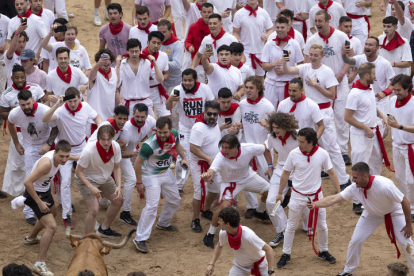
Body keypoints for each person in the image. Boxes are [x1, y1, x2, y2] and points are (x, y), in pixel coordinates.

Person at [307, 162, 414, 276]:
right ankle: (348, 271)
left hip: (394, 213)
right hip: (372, 214)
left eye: (355, 177)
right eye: (352, 177)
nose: (352, 180)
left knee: (406, 243)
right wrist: (315, 204)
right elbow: (334, 198)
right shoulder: (355, 188)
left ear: (365, 176)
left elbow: (404, 201)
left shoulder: (384, 185)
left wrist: (408, 224)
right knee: (356, 240)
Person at [282, 49, 351, 189]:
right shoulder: (305, 67)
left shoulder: (327, 71)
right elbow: (288, 70)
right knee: (306, 143)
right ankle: (325, 170)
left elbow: (332, 95)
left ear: (321, 56)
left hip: (323, 111)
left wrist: (315, 85)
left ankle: (344, 179)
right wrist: (284, 62)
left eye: (315, 55)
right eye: (311, 55)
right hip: (307, 111)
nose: (312, 57)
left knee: (331, 146)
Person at [275, 127, 340, 268]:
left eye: (302, 142)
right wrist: (280, 192)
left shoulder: (322, 154)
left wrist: (339, 193)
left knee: (322, 225)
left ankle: (323, 251)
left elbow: (332, 172)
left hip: (316, 197)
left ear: (311, 142)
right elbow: (285, 173)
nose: (299, 144)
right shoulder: (293, 154)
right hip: (297, 196)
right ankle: (286, 253)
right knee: (291, 226)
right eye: (299, 141)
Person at [200, 134, 274, 248]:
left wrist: (270, 166)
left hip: (248, 177)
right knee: (224, 207)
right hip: (229, 183)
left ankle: (259, 212)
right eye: (223, 147)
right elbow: (212, 170)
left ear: (236, 147)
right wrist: (208, 175)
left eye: (227, 148)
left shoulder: (248, 148)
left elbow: (265, 149)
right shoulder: (220, 157)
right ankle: (210, 233)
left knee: (269, 191)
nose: (225, 151)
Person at [42, 88, 102, 227]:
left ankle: (94, 207)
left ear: (79, 98)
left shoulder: (85, 107)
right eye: (70, 101)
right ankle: (66, 215)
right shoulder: (61, 110)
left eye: (75, 101)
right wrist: (57, 104)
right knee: (66, 182)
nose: (73, 104)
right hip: (65, 151)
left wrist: (99, 126)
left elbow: (96, 116)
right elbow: (45, 119)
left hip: (83, 147)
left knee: (92, 176)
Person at [305, 9, 354, 166]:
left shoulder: (341, 36)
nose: (318, 24)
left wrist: (341, 73)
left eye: (320, 21)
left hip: (340, 81)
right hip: (318, 86)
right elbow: (307, 63)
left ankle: (343, 151)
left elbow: (351, 58)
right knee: (320, 118)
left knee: (341, 116)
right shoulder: (311, 40)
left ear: (328, 21)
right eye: (316, 21)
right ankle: (323, 152)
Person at [132, 117, 187, 253]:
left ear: (170, 130)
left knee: (175, 199)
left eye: (165, 132)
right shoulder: (149, 145)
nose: (162, 135)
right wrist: (139, 182)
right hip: (150, 175)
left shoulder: (174, 134)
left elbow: (177, 145)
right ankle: (140, 238)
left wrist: (184, 158)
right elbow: (137, 163)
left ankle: (163, 223)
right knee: (152, 205)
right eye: (159, 132)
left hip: (165, 172)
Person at [344, 62, 391, 214]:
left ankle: (374, 193)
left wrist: (382, 115)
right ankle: (356, 201)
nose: (375, 76)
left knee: (376, 162)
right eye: (373, 73)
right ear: (366, 76)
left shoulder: (369, 87)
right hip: (360, 135)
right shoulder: (354, 94)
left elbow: (371, 106)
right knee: (359, 166)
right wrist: (365, 128)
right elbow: (347, 117)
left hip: (373, 133)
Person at [0, 65, 45, 217]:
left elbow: (41, 107)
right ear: (12, 78)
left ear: (25, 77)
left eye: (22, 77)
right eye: (17, 77)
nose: (20, 80)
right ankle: (18, 191)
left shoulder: (35, 89)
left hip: (35, 132)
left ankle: (29, 191)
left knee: (30, 164)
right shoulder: (7, 94)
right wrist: (17, 112)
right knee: (16, 162)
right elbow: (3, 113)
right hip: (18, 133)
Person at [23, 140, 71, 276]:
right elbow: (27, 182)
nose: (64, 160)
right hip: (35, 194)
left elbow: (69, 157)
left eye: (67, 156)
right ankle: (39, 264)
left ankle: (31, 238)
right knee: (51, 226)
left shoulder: (61, 157)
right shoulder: (46, 164)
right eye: (61, 156)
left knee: (53, 213)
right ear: (55, 152)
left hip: (44, 191)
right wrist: (39, 202)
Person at [165, 69, 214, 193]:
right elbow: (168, 107)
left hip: (203, 128)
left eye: (189, 80)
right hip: (185, 128)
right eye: (184, 80)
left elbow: (212, 106)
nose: (187, 83)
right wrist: (170, 99)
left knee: (207, 155)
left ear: (195, 79)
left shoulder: (205, 89)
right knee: (183, 156)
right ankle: (179, 186)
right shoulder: (178, 89)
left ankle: (210, 186)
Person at [75, 124, 123, 237]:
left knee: (118, 200)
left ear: (113, 138)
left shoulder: (115, 147)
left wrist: (118, 185)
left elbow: (117, 167)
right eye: (103, 139)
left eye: (109, 139)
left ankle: (104, 229)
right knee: (94, 210)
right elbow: (78, 172)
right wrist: (90, 187)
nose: (106, 142)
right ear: (98, 138)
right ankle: (88, 240)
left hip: (104, 178)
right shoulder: (89, 151)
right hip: (87, 179)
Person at [263, 112, 298, 248]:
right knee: (272, 202)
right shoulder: (271, 137)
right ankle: (282, 230)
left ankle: (308, 226)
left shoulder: (298, 136)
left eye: (278, 127)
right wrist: (270, 165)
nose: (275, 130)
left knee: (303, 204)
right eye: (273, 127)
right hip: (280, 171)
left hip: (298, 172)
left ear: (286, 126)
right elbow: (266, 149)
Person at [205, 208, 275, 276]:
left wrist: (270, 271)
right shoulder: (223, 233)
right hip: (240, 266)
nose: (218, 222)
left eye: (220, 220)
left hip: (259, 264)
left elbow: (269, 249)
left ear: (227, 224)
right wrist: (211, 264)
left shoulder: (248, 235)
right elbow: (219, 246)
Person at [342, 36, 395, 125]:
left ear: (377, 48)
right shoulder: (360, 58)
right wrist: (344, 54)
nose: (367, 46)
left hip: (380, 102)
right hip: (363, 101)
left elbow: (394, 82)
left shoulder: (385, 63)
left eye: (370, 45)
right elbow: (348, 60)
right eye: (366, 44)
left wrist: (384, 93)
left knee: (379, 127)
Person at [118, 103, 156, 225]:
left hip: (135, 150)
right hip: (123, 155)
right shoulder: (126, 130)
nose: (140, 119)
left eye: (142, 117)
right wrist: (134, 154)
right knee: (131, 179)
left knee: (147, 169)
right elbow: (119, 154)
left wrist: (147, 147)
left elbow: (155, 134)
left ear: (147, 116)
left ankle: (147, 197)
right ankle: (125, 213)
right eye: (137, 116)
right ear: (133, 114)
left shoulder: (150, 120)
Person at [189, 101, 222, 232]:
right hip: (200, 163)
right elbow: (192, 148)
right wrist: (208, 158)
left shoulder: (215, 124)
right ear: (204, 113)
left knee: (215, 188)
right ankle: (195, 219)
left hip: (213, 163)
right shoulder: (198, 127)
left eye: (215, 114)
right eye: (209, 114)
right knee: (199, 191)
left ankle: (206, 209)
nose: (212, 116)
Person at [388, 74, 414, 222]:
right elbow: (390, 119)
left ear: (408, 89)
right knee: (400, 178)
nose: (395, 93)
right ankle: (407, 206)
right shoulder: (392, 101)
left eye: (399, 90)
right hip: (397, 145)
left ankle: (413, 208)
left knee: (412, 181)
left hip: (411, 147)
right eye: (394, 89)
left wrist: (400, 127)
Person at [262, 16, 303, 107]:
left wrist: (286, 70)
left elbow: (300, 65)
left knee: (287, 112)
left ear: (288, 28)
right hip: (271, 83)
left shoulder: (294, 44)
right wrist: (274, 64)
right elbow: (264, 66)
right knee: (270, 110)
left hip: (287, 84)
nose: (279, 30)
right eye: (277, 27)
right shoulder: (269, 44)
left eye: (282, 27)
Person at [118, 38, 164, 119]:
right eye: (132, 51)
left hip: (145, 102)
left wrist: (155, 63)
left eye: (137, 51)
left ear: (140, 51)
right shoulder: (122, 64)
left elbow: (160, 79)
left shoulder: (147, 63)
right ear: (127, 51)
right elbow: (117, 83)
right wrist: (117, 66)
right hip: (129, 104)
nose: (134, 54)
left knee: (150, 128)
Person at [233, 0, 273, 80]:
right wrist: (237, 42)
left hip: (260, 51)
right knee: (247, 79)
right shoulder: (239, 14)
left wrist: (267, 36)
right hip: (246, 52)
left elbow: (270, 29)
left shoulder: (263, 13)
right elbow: (235, 32)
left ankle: (261, 93)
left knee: (260, 77)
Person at [88, 49, 119, 132]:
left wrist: (120, 103)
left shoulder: (114, 71)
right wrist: (98, 64)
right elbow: (91, 77)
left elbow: (115, 89)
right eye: (102, 60)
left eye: (108, 59)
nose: (105, 62)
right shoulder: (95, 73)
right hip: (95, 120)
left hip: (110, 118)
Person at [145, 31, 170, 118]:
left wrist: (160, 78)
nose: (156, 46)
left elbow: (166, 74)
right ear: (148, 43)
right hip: (143, 92)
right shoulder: (139, 56)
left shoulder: (164, 56)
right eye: (154, 42)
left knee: (167, 117)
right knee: (146, 119)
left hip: (157, 90)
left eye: (159, 43)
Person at [185, 3, 213, 81]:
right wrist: (189, 46)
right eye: (204, 12)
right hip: (198, 63)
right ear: (200, 13)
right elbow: (187, 41)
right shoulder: (194, 27)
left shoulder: (215, 28)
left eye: (209, 12)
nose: (206, 14)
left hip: (212, 63)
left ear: (213, 13)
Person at [158, 19, 184, 93]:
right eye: (160, 32)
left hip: (174, 83)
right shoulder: (157, 43)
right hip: (161, 82)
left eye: (164, 32)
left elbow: (177, 65)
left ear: (170, 31)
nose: (162, 34)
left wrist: (160, 61)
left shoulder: (177, 44)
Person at [0, 13, 10, 94]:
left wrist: (5, 46)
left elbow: (10, 38)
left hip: (1, 56)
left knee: (1, 85)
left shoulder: (6, 20)